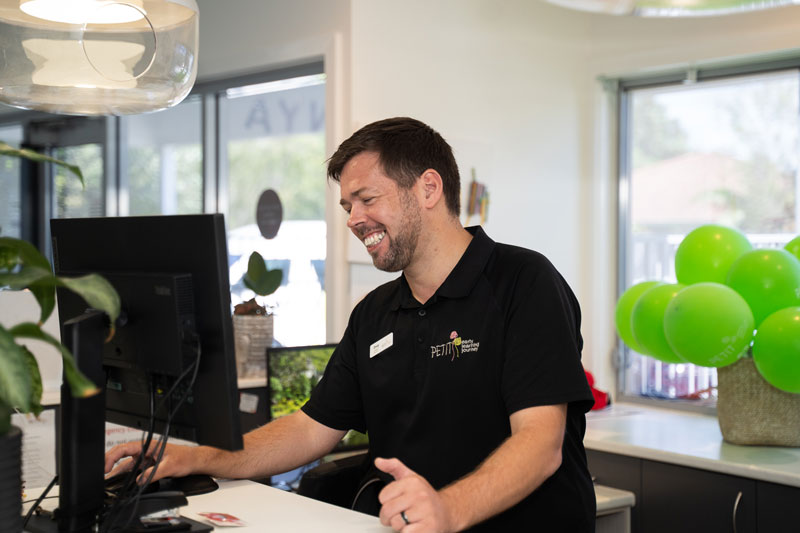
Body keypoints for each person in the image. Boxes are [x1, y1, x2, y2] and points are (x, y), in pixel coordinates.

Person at [105, 117, 596, 532]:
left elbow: (540, 444)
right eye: (347, 206)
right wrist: (198, 457)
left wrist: (448, 510)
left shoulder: (524, 282)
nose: (354, 219)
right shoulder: (376, 312)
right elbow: (309, 429)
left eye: (366, 199)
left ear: (428, 188)